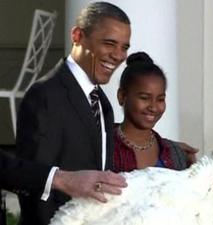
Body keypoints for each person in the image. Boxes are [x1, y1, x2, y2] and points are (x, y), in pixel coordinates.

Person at [15, 2, 131, 224]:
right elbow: (34, 183)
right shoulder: (45, 95)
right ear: (77, 36)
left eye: (124, 47)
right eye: (109, 43)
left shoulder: (102, 103)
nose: (118, 55)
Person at [113, 52, 191, 172]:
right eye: (144, 98)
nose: (153, 107)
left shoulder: (175, 154)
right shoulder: (105, 148)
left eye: (160, 99)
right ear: (122, 96)